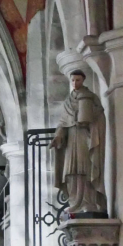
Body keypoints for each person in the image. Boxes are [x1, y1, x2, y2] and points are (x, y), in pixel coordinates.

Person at [50, 70, 107, 215]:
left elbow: (99, 114)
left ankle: (88, 202)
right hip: (71, 139)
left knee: (84, 169)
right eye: (73, 80)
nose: (75, 83)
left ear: (83, 80)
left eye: (78, 80)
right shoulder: (68, 101)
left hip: (85, 137)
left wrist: (89, 120)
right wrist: (58, 136)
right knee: (70, 171)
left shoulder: (91, 98)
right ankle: (74, 202)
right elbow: (62, 123)